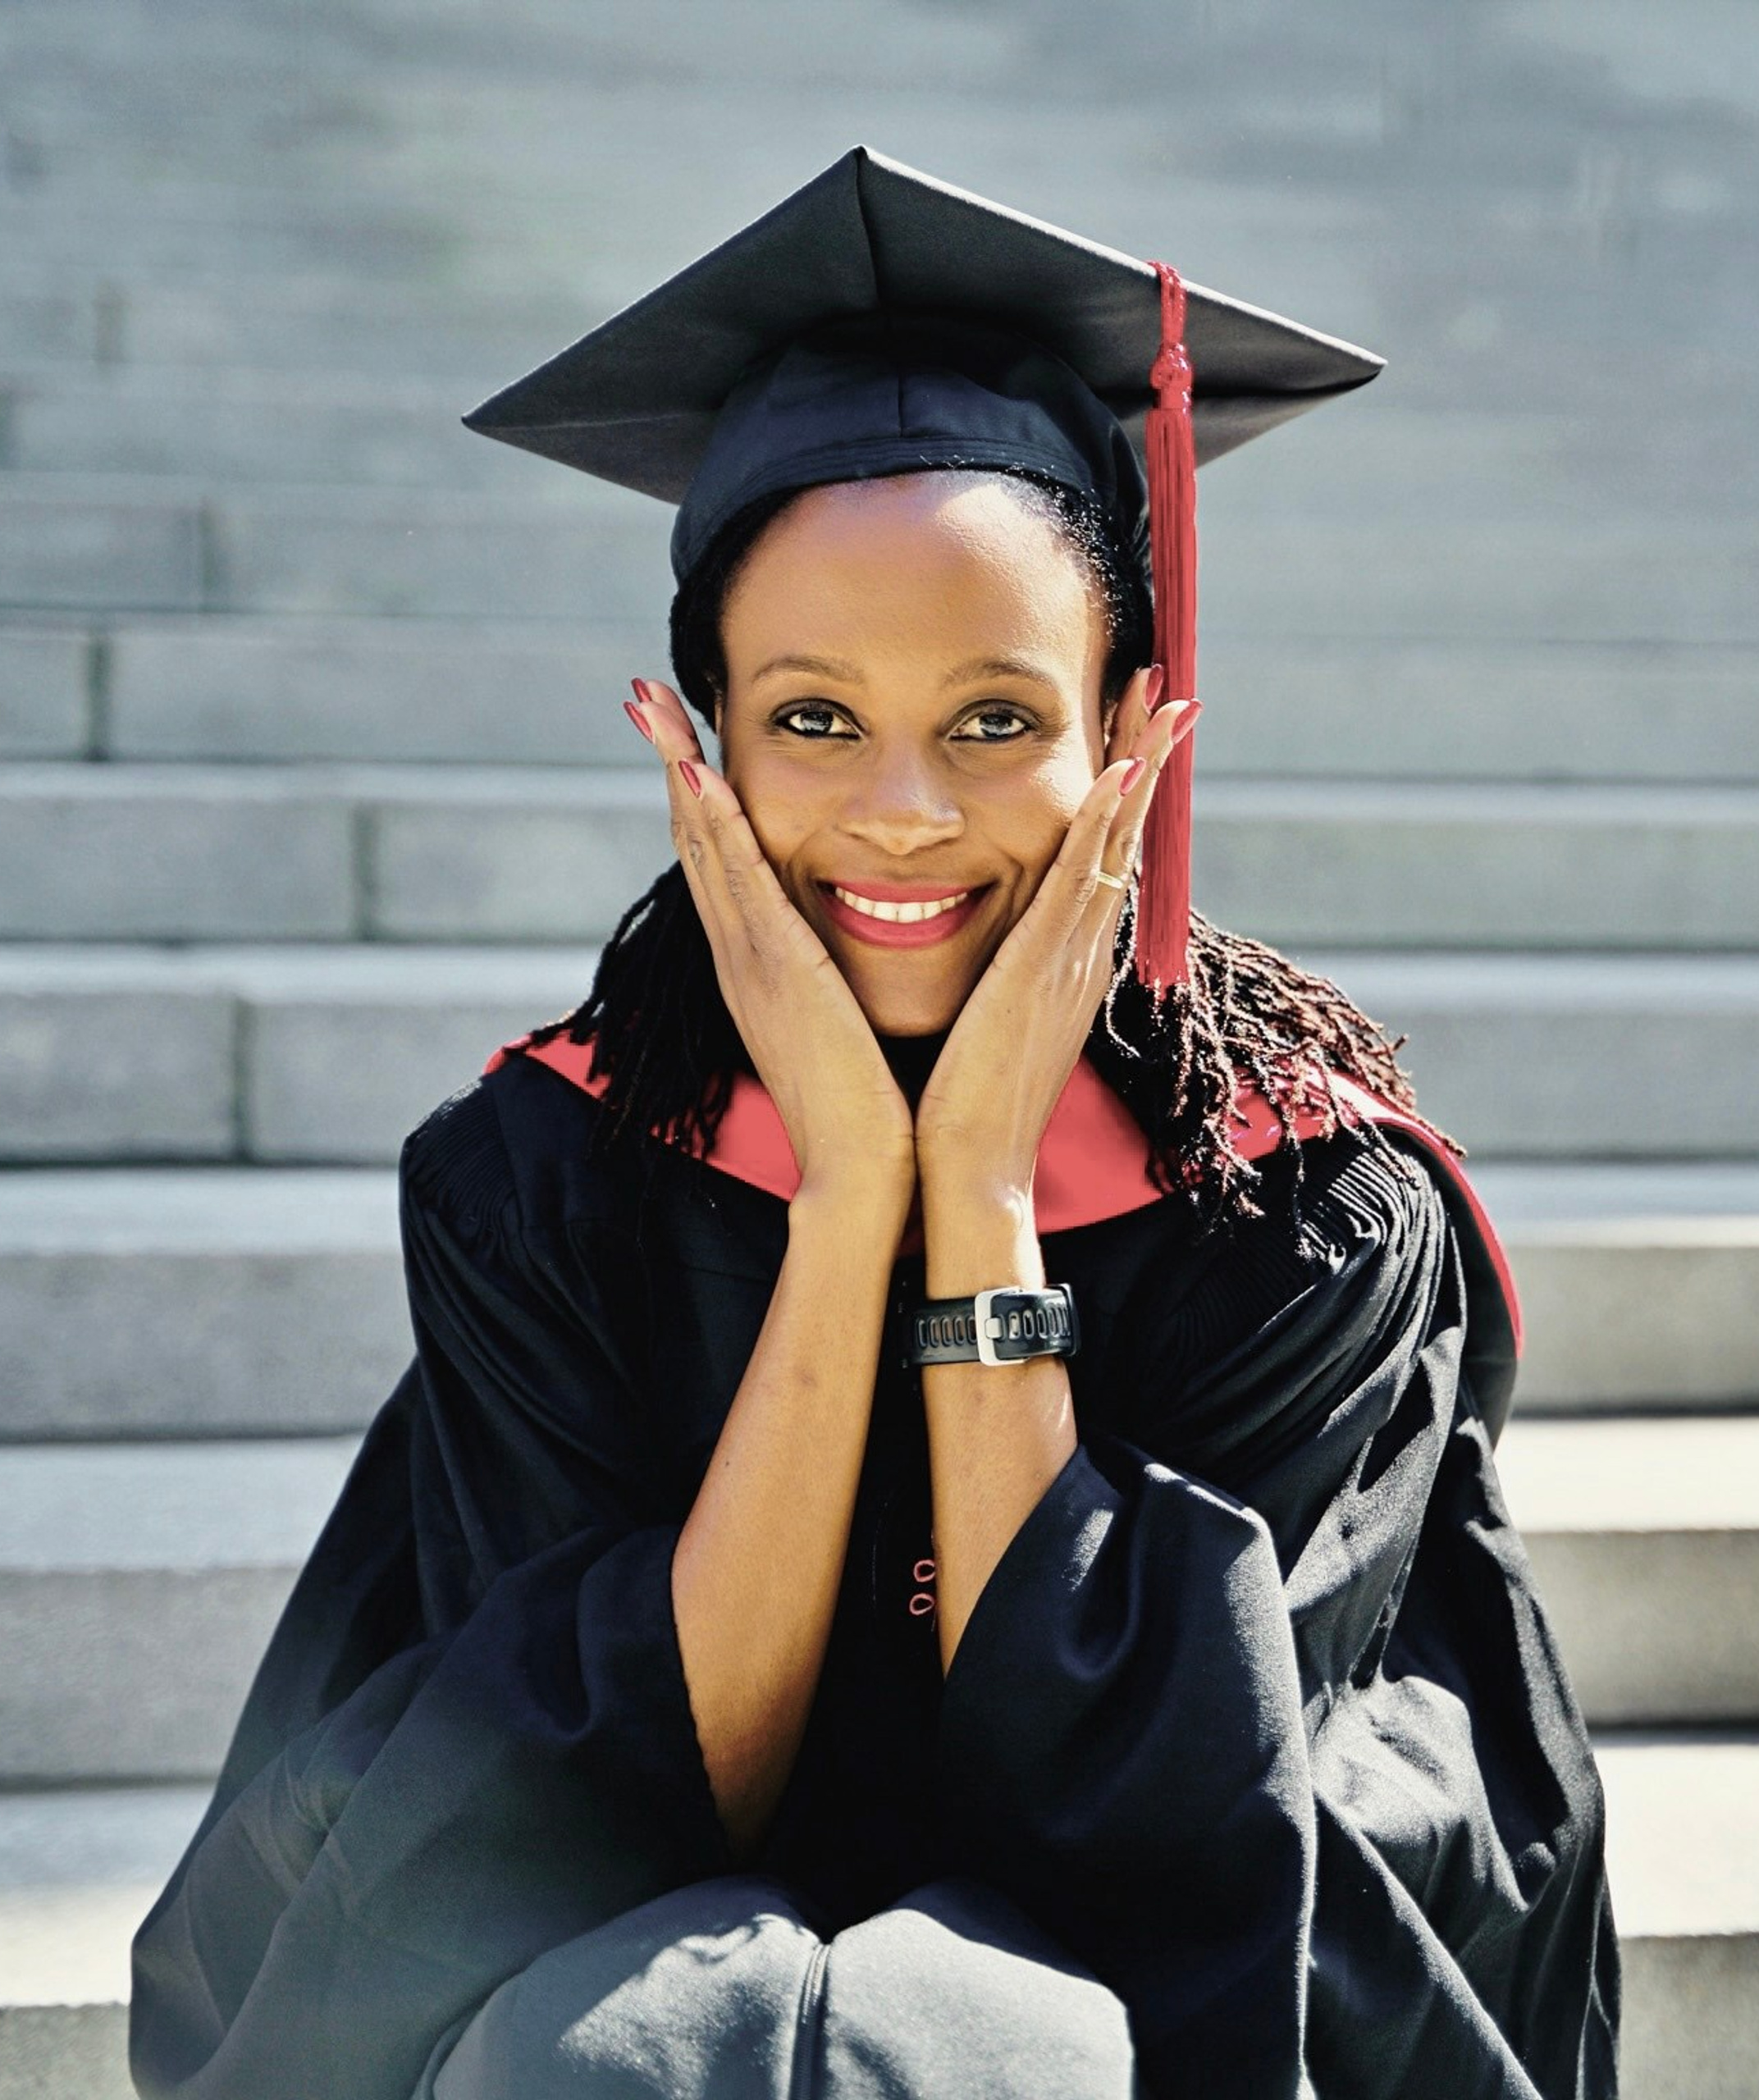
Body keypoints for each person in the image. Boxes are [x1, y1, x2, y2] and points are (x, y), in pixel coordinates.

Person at [129, 148, 1620, 2099]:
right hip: (608, 1942)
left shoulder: (1303, 1212)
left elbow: (1154, 1822)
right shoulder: (545, 1184)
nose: (901, 809)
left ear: (1131, 730)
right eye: (812, 717)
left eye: (996, 717)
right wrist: (852, 1198)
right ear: (701, 739)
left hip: (1188, 1984)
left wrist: (982, 1186)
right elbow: (614, 1792)